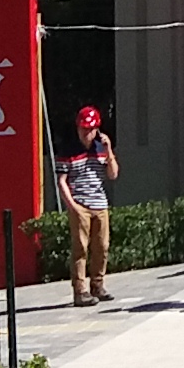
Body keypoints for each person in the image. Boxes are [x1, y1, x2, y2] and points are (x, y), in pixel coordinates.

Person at [59, 105, 118, 306]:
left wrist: (108, 150)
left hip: (100, 203)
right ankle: (80, 290)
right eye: (83, 129)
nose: (87, 133)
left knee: (102, 246)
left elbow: (113, 174)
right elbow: (61, 181)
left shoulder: (101, 148)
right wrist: (72, 206)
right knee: (80, 248)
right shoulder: (68, 149)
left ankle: (98, 285)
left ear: (97, 129)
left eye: (91, 129)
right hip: (80, 204)